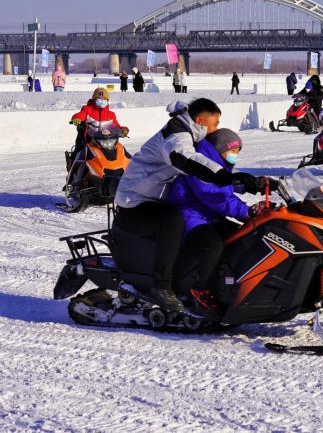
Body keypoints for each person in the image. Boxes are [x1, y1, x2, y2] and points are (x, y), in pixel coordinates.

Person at [112, 99, 270, 312]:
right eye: (214, 124)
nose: (215, 129)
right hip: (135, 201)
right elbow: (186, 160)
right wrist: (227, 177)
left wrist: (246, 183)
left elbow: (208, 183)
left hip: (153, 197)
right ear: (200, 121)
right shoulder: (177, 138)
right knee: (172, 221)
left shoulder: (187, 134)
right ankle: (163, 286)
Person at [168, 128, 265, 316]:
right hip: (190, 216)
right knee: (212, 245)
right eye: (233, 151)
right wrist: (247, 212)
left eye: (238, 152)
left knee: (242, 237)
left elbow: (226, 189)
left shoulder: (218, 166)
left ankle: (229, 285)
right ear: (221, 151)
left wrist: (254, 186)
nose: (235, 156)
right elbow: (215, 197)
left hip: (208, 215)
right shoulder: (201, 167)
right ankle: (198, 289)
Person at [69, 87, 128, 160]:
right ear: (94, 100)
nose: (102, 101)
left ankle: (131, 169)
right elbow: (79, 115)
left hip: (106, 142)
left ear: (107, 101)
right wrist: (77, 119)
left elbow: (116, 126)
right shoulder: (88, 110)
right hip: (89, 141)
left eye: (104, 99)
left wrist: (123, 130)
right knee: (78, 155)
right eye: (99, 99)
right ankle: (73, 169)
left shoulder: (111, 114)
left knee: (123, 152)